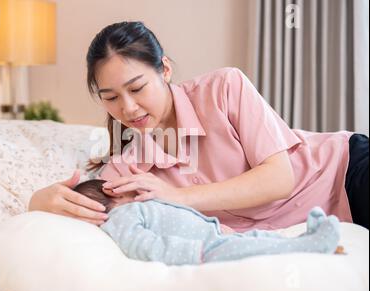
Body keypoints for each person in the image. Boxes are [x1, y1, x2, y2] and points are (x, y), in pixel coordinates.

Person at [28, 21, 369, 232]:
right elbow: (97, 216)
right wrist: (38, 204)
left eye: (136, 88)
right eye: (111, 97)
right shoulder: (126, 168)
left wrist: (178, 197)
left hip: (342, 170)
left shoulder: (224, 88)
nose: (128, 108)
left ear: (164, 70)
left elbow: (280, 178)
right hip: (317, 222)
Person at [73, 179, 343, 265]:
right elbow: (143, 245)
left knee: (255, 241)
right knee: (256, 250)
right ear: (112, 193)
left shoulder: (138, 208)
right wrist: (190, 253)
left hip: (212, 236)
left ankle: (304, 240)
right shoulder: (121, 216)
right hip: (201, 249)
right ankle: (312, 246)